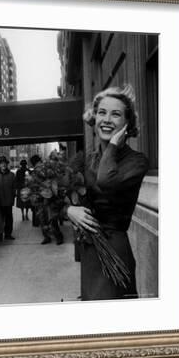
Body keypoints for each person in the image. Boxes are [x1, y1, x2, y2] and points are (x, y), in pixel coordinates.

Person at [65, 84, 149, 300]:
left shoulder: (137, 161)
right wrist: (69, 211)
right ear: (94, 119)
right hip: (90, 251)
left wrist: (112, 146)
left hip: (115, 247)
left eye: (116, 114)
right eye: (102, 113)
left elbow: (106, 181)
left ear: (127, 124)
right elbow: (60, 196)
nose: (107, 119)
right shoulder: (84, 159)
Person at [0, 156, 16, 241]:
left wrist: (12, 200)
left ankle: (8, 234)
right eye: (1, 163)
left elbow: (14, 189)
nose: (3, 165)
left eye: (5, 163)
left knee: (9, 218)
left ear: (7, 164)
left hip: (8, 201)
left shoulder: (12, 175)